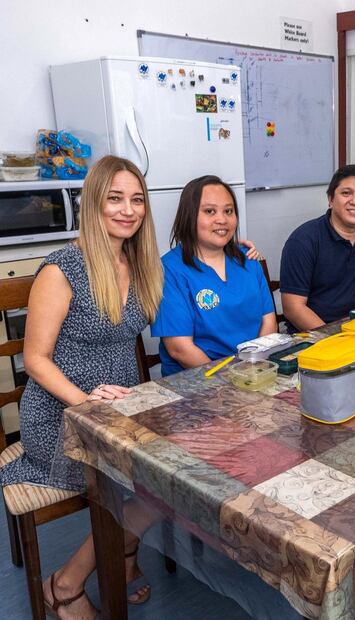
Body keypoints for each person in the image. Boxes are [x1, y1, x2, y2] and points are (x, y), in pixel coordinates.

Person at [0, 155, 163, 618]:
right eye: (115, 199)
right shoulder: (63, 267)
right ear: (93, 203)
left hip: (119, 408)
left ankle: (123, 557)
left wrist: (240, 249)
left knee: (174, 477)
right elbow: (34, 360)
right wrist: (85, 402)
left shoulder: (137, 261)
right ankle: (67, 585)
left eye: (136, 200)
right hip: (62, 415)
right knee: (151, 486)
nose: (127, 210)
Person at [151, 175, 276, 376]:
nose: (222, 220)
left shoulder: (249, 259)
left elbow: (268, 322)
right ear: (189, 216)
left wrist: (254, 368)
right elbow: (179, 349)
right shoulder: (170, 270)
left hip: (254, 371)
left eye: (228, 211)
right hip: (196, 381)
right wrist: (231, 379)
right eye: (210, 211)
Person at [280, 164, 355, 332]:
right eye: (346, 193)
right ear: (330, 199)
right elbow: (293, 308)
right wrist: (336, 339)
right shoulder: (303, 241)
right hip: (314, 340)